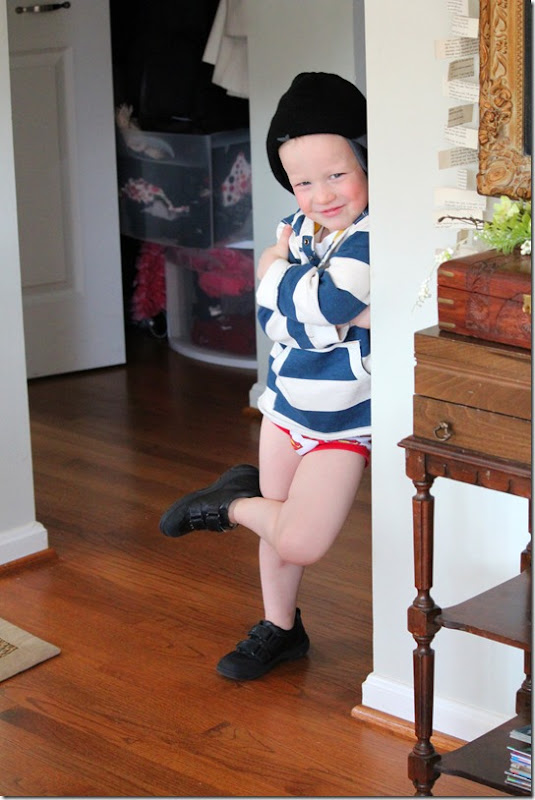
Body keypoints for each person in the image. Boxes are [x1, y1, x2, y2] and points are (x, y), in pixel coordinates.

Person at [160, 72, 371, 681]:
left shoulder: (372, 236)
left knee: (300, 539)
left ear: (366, 159)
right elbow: (274, 320)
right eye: (303, 182)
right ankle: (280, 628)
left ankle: (230, 504)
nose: (321, 195)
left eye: (337, 175)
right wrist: (317, 309)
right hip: (285, 401)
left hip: (344, 417)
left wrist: (279, 276)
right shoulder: (296, 229)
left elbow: (325, 304)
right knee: (276, 532)